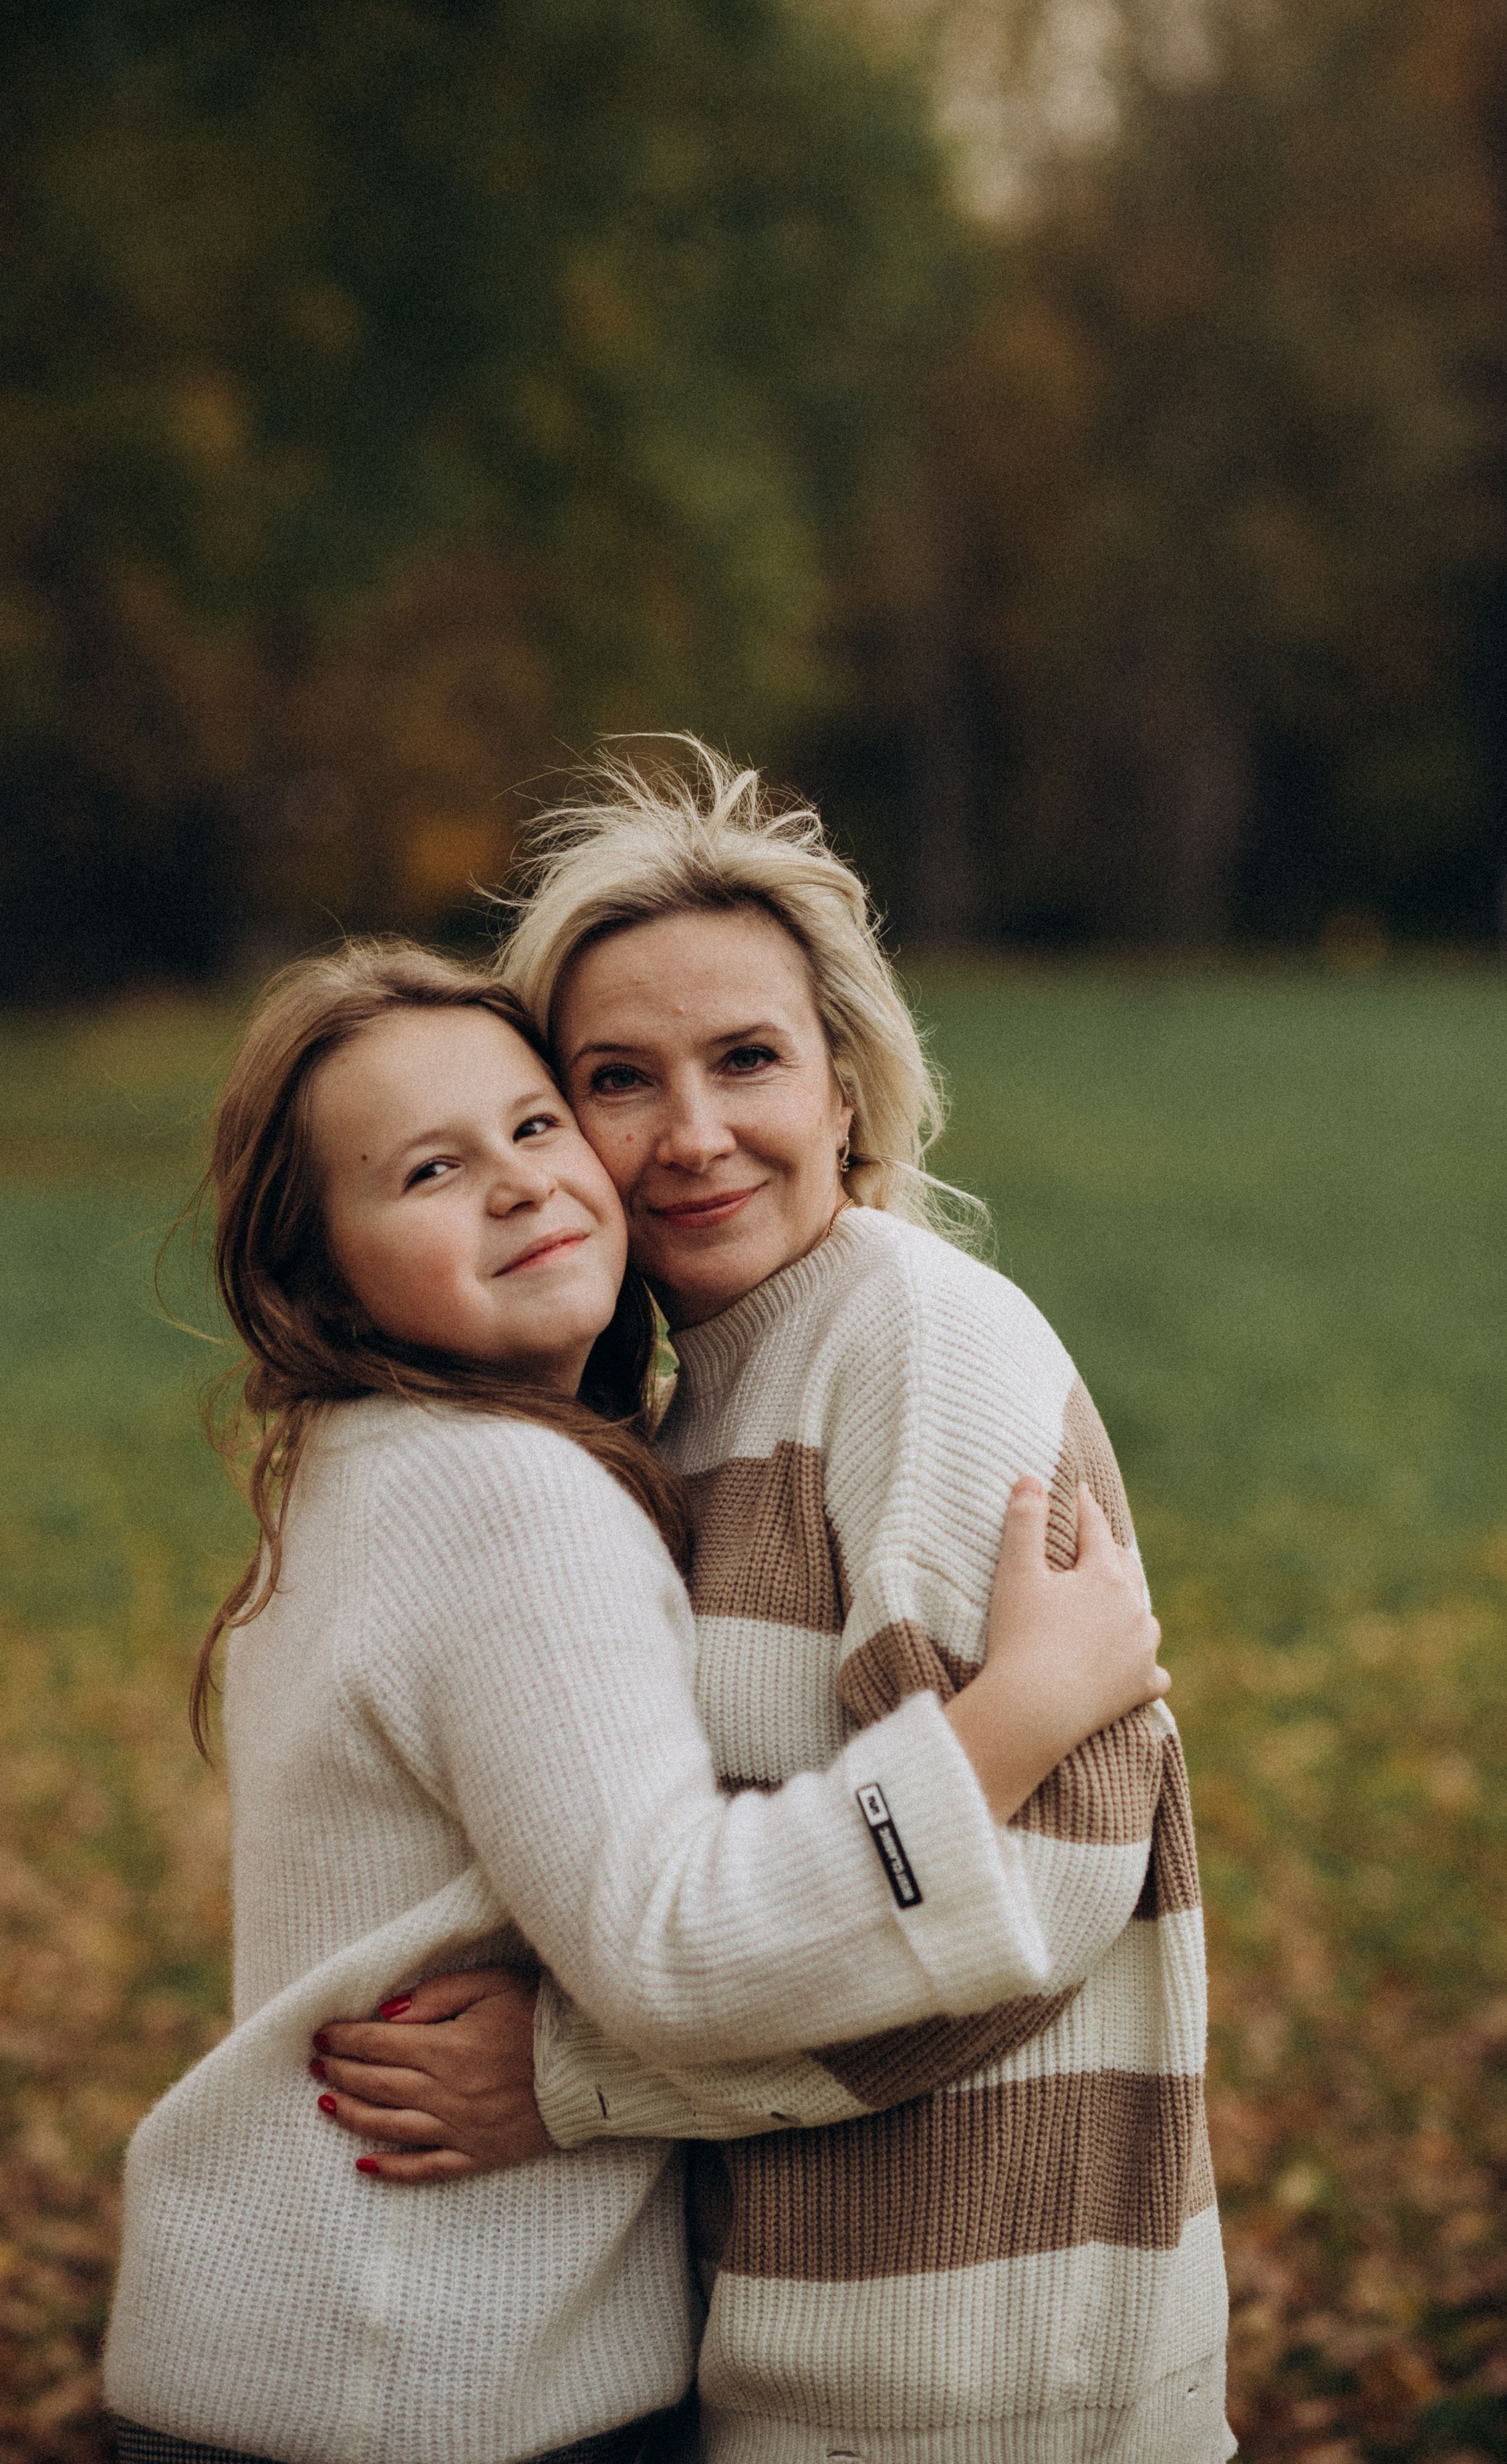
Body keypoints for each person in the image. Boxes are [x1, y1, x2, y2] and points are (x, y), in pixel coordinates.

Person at [102, 940, 1169, 2464]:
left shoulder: (372, 1468)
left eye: (534, 1127)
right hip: (422, 2382)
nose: (522, 1182)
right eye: (426, 1169)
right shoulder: (509, 1494)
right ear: (317, 1268)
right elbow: (674, 1942)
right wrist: (1012, 1719)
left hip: (328, 2348)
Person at [313, 745, 1233, 2463]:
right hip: (795, 2352)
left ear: (846, 1091)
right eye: (615, 1079)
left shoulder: (919, 1349)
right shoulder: (699, 1400)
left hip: (977, 2374)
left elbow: (1040, 1888)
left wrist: (577, 2080)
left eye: (746, 1060)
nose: (690, 1135)